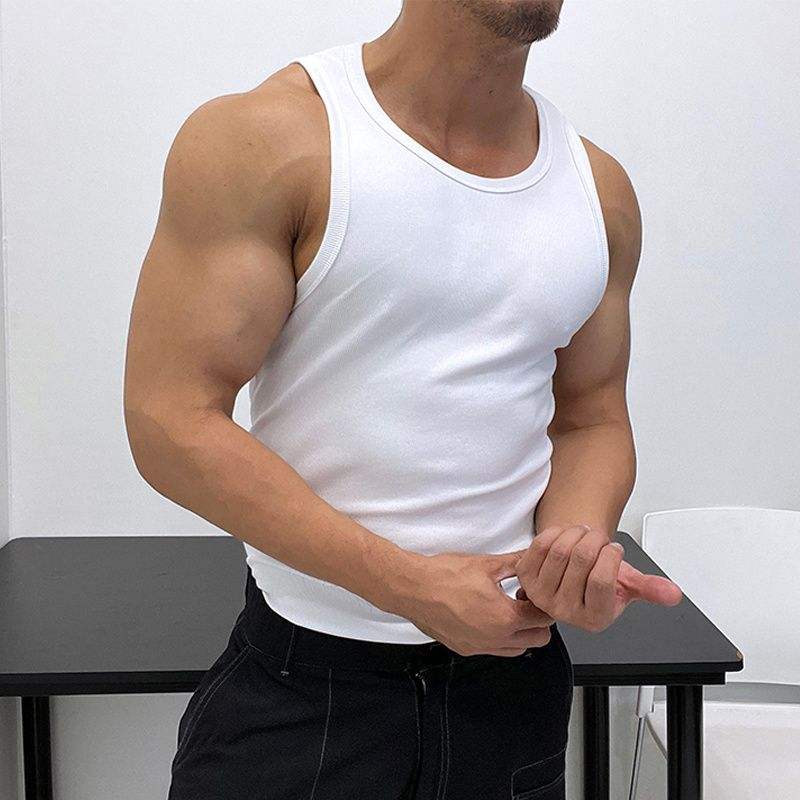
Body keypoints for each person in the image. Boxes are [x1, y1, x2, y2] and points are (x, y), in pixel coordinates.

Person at [124, 1, 682, 797]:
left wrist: (572, 548)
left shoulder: (600, 191)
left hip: (510, 691)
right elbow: (169, 419)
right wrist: (408, 586)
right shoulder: (269, 141)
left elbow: (591, 415)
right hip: (305, 690)